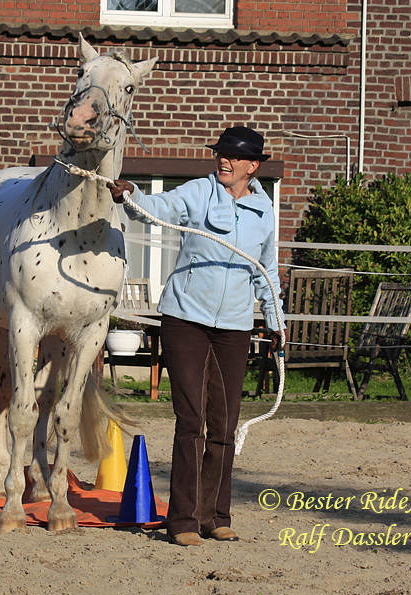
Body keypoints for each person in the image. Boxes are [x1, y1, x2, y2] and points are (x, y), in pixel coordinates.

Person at [108, 126, 286, 546]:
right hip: (186, 320)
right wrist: (130, 195)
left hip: (236, 327)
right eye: (220, 153)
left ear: (252, 166)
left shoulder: (264, 211)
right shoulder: (197, 192)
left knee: (225, 423)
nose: (223, 160)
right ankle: (184, 521)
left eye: (233, 156)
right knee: (191, 421)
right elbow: (157, 207)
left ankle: (215, 516)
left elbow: (267, 270)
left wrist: (276, 321)